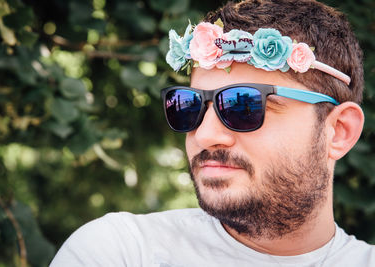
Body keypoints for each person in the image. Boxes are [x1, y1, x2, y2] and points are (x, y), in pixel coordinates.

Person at [50, 0, 375, 266]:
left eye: (243, 105)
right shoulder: (122, 252)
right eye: (189, 106)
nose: (204, 136)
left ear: (338, 131)